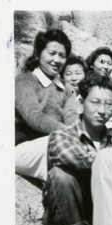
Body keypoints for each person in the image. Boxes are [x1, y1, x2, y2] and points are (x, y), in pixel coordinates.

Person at [42, 72, 112, 225]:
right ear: (81, 102)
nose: (102, 110)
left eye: (108, 104)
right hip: (72, 208)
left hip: (103, 211)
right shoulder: (62, 135)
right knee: (61, 176)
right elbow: (77, 158)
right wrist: (111, 162)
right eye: (95, 102)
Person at [15, 29, 79, 182]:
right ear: (38, 54)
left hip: (58, 141)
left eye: (62, 56)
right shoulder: (24, 81)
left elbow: (72, 115)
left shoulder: (68, 87)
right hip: (24, 146)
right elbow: (34, 116)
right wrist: (67, 133)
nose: (57, 60)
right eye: (52, 53)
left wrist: (75, 133)